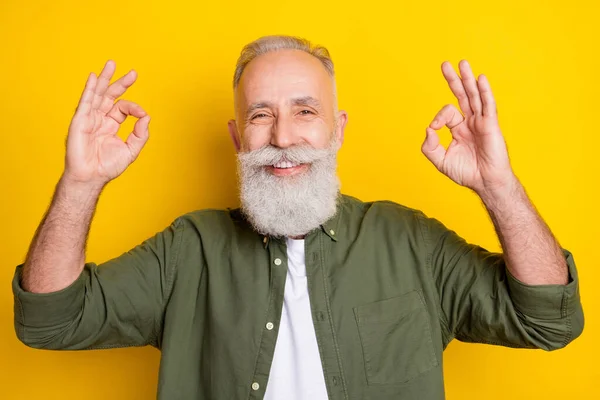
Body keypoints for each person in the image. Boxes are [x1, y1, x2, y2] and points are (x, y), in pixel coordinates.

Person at [12, 35, 584, 400]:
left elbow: (548, 322)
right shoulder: (190, 251)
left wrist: (498, 187)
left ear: (338, 129)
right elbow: (49, 321)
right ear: (238, 137)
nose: (283, 137)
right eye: (261, 116)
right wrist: (80, 184)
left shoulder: (410, 242)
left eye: (305, 112)